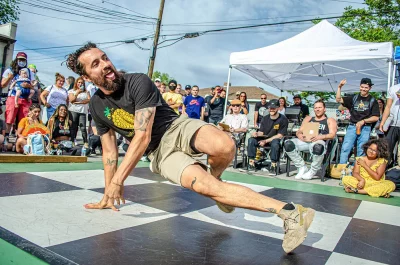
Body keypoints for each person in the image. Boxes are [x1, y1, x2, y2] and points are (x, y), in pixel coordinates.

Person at [66, 42, 315, 254]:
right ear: (86, 78)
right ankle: (291, 213)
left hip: (176, 127)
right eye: (95, 64)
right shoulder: (97, 106)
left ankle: (216, 177)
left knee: (225, 144)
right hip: (160, 154)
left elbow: (142, 136)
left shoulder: (137, 81)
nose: (105, 64)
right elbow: (109, 152)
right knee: (209, 188)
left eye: (104, 57)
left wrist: (119, 180)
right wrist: (108, 192)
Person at [284, 100, 337, 180]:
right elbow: (299, 131)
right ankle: (301, 166)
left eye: (320, 107)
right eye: (316, 108)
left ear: (324, 109)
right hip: (305, 141)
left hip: (319, 141)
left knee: (318, 147)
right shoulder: (308, 118)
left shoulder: (330, 120)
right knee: (288, 143)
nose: (318, 109)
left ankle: (313, 170)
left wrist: (320, 137)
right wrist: (300, 135)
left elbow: (332, 135)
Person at [336, 78, 380, 164]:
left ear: (369, 88)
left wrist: (363, 121)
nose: (363, 89)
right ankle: (342, 169)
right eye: (362, 87)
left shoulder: (373, 100)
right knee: (346, 148)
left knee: (361, 150)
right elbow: (338, 99)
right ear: (360, 86)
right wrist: (339, 87)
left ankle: (358, 169)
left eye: (366, 87)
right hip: (352, 126)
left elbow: (376, 117)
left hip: (365, 128)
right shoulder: (354, 98)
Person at [246, 99, 288, 174]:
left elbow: (280, 135)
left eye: (273, 108)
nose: (271, 110)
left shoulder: (283, 119)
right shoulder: (265, 118)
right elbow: (262, 132)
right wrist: (256, 134)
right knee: (251, 140)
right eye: (270, 108)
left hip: (274, 139)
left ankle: (273, 165)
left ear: (278, 108)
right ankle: (251, 163)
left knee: (275, 143)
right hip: (264, 138)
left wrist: (266, 141)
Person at [1, 52, 35, 136]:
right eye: (20, 59)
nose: (21, 61)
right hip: (13, 96)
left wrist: (28, 85)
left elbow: (34, 87)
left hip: (25, 98)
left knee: (24, 119)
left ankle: (19, 138)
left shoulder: (30, 72)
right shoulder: (10, 70)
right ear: (16, 59)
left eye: (23, 60)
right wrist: (9, 78)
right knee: (10, 118)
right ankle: (6, 138)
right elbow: (2, 84)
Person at [380, 84, 400, 166]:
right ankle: (383, 171)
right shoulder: (393, 88)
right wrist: (382, 122)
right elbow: (388, 106)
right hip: (392, 123)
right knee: (386, 149)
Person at [68, 77, 90, 146]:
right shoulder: (72, 91)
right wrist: (77, 93)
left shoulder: (86, 92)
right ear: (76, 83)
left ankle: (85, 142)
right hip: (73, 110)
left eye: (82, 83)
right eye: (79, 82)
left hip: (82, 111)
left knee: (83, 127)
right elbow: (71, 100)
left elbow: (89, 100)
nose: (80, 84)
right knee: (74, 127)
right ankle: (72, 141)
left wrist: (79, 102)